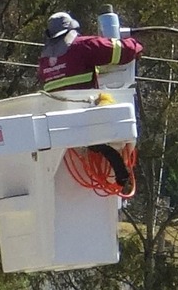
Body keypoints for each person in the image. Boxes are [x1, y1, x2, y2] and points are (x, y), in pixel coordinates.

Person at [36, 11, 142, 192]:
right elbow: (124, 52)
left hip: (62, 127)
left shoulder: (44, 61)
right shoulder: (83, 46)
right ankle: (119, 169)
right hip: (89, 121)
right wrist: (134, 43)